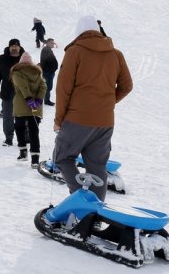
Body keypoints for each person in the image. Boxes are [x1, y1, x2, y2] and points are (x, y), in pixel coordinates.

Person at [52, 15, 133, 201]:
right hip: (105, 121)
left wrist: (59, 120)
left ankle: (81, 202)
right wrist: (107, 103)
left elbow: (63, 89)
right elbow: (127, 86)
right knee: (97, 167)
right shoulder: (116, 54)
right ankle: (94, 214)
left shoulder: (75, 51)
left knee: (63, 158)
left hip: (77, 119)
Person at [11, 52, 47, 167]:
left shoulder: (16, 72)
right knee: (34, 132)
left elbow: (22, 86)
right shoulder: (37, 72)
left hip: (21, 104)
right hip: (36, 106)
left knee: (19, 128)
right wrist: (39, 100)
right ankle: (35, 159)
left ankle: (23, 152)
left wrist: (28, 99)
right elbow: (43, 86)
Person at [0, 38, 24, 146]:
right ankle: (9, 138)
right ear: (9, 47)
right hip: (7, 92)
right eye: (12, 46)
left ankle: (24, 138)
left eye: (16, 46)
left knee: (23, 117)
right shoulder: (2, 58)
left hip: (22, 93)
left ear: (19, 47)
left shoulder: (24, 58)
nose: (14, 48)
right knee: (8, 117)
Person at [40, 38, 58, 106]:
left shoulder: (48, 49)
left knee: (48, 86)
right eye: (51, 43)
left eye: (53, 43)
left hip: (49, 72)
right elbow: (44, 61)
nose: (52, 44)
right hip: (48, 72)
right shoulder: (46, 50)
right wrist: (48, 70)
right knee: (48, 87)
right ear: (47, 43)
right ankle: (46, 100)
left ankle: (46, 99)